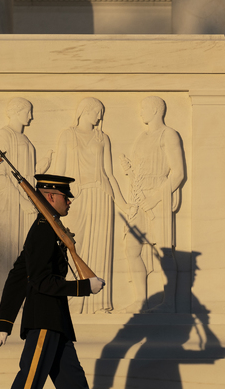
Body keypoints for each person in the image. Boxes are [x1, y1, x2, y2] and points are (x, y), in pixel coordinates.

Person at [0, 174, 139, 389]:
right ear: (49, 197)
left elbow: (18, 275)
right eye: (64, 196)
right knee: (28, 384)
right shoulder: (43, 230)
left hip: (55, 323)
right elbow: (39, 281)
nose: (69, 201)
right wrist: (83, 287)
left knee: (74, 386)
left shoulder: (50, 229)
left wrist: (4, 323)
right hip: (44, 321)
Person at [51, 97, 129, 313]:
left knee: (100, 248)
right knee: (73, 245)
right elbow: (59, 172)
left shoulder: (102, 138)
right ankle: (72, 298)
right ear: (85, 111)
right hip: (75, 198)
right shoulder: (68, 136)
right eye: (97, 112)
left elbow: (109, 174)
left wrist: (123, 204)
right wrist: (53, 203)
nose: (100, 117)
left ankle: (99, 304)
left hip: (100, 197)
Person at [120, 96, 185, 313]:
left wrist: (155, 198)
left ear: (156, 110)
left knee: (164, 251)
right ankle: (140, 300)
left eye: (144, 109)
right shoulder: (142, 137)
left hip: (159, 197)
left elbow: (177, 173)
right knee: (131, 248)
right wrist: (130, 172)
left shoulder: (169, 135)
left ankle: (169, 303)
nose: (140, 113)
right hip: (139, 197)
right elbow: (140, 172)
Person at [0, 97, 49, 294]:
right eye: (27, 111)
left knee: (27, 255)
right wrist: (21, 201)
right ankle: (4, 300)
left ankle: (24, 299)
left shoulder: (25, 139)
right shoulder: (3, 135)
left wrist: (43, 165)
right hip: (12, 204)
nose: (31, 117)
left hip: (28, 204)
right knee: (9, 254)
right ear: (16, 112)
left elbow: (28, 174)